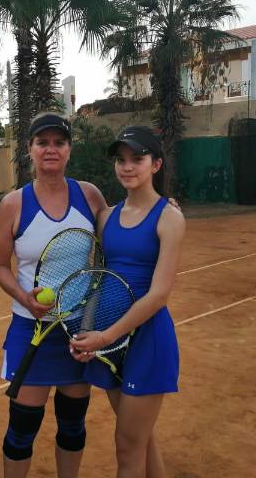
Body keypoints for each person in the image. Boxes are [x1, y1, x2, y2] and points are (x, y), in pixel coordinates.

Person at [0, 112, 108, 478]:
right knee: (22, 431)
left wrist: (160, 209)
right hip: (31, 329)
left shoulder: (89, 195)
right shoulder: (13, 203)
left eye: (59, 142)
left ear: (69, 150)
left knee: (72, 426)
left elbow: (120, 232)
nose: (51, 149)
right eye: (43, 143)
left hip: (78, 329)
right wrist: (24, 298)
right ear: (30, 150)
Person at [70, 126, 185, 478]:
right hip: (108, 341)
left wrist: (107, 337)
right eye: (121, 160)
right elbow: (97, 278)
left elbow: (159, 294)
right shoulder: (106, 218)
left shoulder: (170, 217)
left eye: (138, 159)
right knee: (141, 440)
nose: (127, 167)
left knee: (127, 444)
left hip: (146, 341)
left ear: (156, 165)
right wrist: (91, 332)